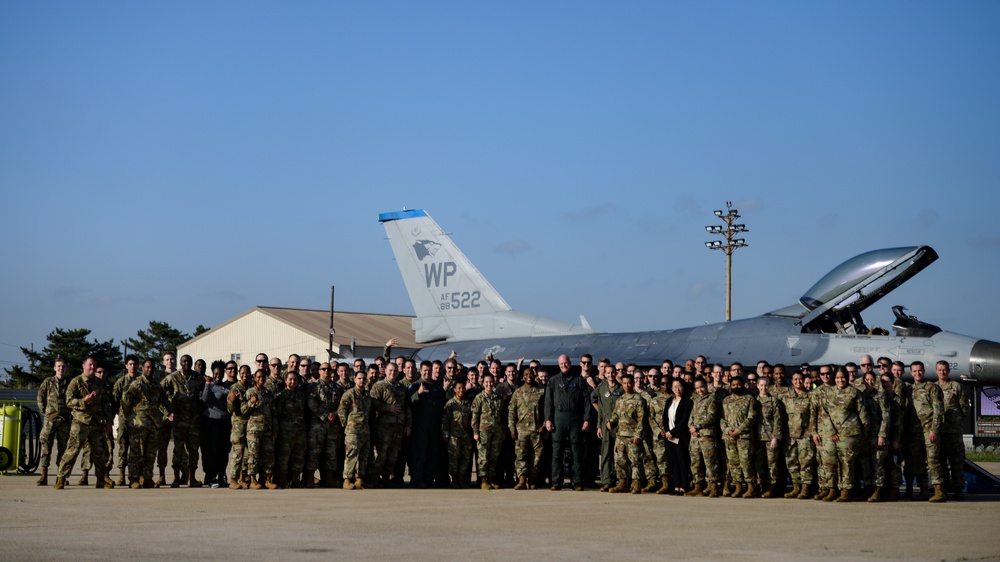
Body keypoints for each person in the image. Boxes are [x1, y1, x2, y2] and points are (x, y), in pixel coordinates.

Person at [54, 357, 113, 490]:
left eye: (94, 365)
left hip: (97, 422)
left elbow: (105, 403)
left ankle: (100, 479)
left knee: (100, 452)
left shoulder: (99, 383)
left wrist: (109, 421)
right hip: (81, 422)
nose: (92, 367)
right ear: (83, 366)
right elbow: (69, 402)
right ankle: (61, 478)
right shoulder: (76, 382)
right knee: (72, 451)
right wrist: (84, 401)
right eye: (90, 365)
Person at [544, 355, 591, 491]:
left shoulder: (579, 380)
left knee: (576, 450)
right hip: (559, 417)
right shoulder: (553, 381)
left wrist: (586, 419)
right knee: (557, 450)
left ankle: (576, 481)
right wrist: (548, 419)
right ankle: (556, 481)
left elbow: (586, 401)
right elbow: (548, 402)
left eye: (566, 363)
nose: (564, 365)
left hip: (575, 417)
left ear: (570, 363)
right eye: (561, 363)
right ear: (559, 365)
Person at [160, 354, 205, 487]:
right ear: (180, 363)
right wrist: (167, 411)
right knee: (178, 450)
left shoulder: (198, 378)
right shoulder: (172, 378)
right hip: (179, 420)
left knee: (193, 451)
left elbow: (204, 395)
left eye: (189, 361)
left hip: (194, 421)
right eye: (184, 361)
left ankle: (192, 478)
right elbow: (158, 392)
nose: (186, 363)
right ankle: (175, 478)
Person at [120, 358, 165, 488]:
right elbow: (125, 402)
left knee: (150, 453)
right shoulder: (136, 384)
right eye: (147, 367)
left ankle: (148, 478)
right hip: (138, 424)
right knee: (136, 453)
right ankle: (133, 479)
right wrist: (131, 418)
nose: (149, 370)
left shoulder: (157, 385)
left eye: (152, 367)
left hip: (153, 424)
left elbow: (163, 401)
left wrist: (170, 411)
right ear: (143, 368)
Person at [908, 360, 946, 502]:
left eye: (920, 370)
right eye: (915, 371)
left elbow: (938, 410)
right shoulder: (909, 389)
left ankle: (939, 491)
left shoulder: (932, 387)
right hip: (915, 432)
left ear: (923, 371)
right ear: (911, 373)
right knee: (918, 462)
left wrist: (934, 429)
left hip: (929, 430)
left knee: (933, 460)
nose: (917, 373)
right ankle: (923, 490)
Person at [368, 362, 410, 487]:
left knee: (393, 454)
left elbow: (407, 407)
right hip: (384, 427)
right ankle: (375, 478)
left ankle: (386, 477)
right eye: (390, 371)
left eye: (395, 371)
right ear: (385, 371)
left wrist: (408, 425)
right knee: (381, 454)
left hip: (398, 426)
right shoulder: (379, 386)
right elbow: (373, 403)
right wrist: (387, 408)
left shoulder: (402, 387)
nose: (393, 373)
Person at [606, 372, 647, 494]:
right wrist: (611, 423)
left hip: (632, 436)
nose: (627, 385)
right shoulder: (620, 400)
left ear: (633, 383)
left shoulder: (638, 400)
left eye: (629, 383)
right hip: (621, 436)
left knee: (635, 461)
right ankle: (622, 483)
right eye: (624, 383)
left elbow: (642, 419)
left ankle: (636, 483)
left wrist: (638, 435)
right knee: (620, 461)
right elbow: (615, 415)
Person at [304, 361, 344, 488]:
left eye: (328, 369)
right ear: (319, 371)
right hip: (317, 425)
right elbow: (312, 404)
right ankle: (310, 478)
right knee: (314, 452)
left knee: (331, 453)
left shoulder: (337, 388)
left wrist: (336, 413)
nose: (326, 371)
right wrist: (325, 415)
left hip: (333, 426)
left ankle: (329, 479)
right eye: (323, 369)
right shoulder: (312, 387)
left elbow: (343, 404)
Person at [508, 366, 546, 490]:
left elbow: (547, 409)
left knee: (537, 457)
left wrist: (544, 424)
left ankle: (532, 479)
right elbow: (512, 412)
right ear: (523, 376)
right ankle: (522, 480)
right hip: (521, 430)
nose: (529, 377)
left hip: (536, 429)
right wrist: (512, 428)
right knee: (521, 456)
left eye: (531, 374)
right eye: (526, 374)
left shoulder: (541, 391)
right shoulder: (518, 392)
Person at [409, 360, 446, 488]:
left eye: (429, 370)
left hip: (434, 425)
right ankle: (417, 480)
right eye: (425, 370)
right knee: (420, 454)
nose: (427, 372)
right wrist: (417, 394)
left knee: (432, 454)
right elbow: (408, 403)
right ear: (420, 371)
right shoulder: (415, 386)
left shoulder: (437, 386)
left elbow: (442, 405)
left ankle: (429, 480)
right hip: (420, 426)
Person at [36, 357, 72, 486]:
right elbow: (40, 398)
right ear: (54, 368)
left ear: (66, 368)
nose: (61, 369)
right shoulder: (48, 382)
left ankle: (60, 476)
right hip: (50, 420)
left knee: (63, 450)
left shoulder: (69, 383)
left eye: (63, 366)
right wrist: (45, 412)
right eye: (58, 366)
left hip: (64, 420)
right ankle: (44, 475)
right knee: (46, 448)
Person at [936, 361, 968, 500]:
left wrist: (959, 424)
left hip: (954, 432)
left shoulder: (956, 386)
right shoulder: (933, 387)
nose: (942, 372)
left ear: (948, 371)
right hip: (939, 431)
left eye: (944, 370)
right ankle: (943, 488)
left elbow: (964, 408)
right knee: (940, 461)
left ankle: (958, 490)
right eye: (940, 370)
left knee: (956, 462)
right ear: (936, 371)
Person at [722, 376, 757, 498]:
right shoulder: (726, 400)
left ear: (744, 385)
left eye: (739, 385)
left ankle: (751, 487)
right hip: (729, 437)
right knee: (733, 463)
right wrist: (727, 430)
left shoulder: (749, 399)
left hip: (744, 436)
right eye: (734, 385)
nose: (736, 387)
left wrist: (739, 430)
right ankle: (738, 487)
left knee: (746, 462)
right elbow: (722, 419)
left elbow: (751, 417)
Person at [241, 369, 278, 489]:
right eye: (258, 377)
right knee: (254, 455)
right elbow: (242, 410)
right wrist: (251, 402)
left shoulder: (269, 394)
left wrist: (275, 428)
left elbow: (274, 413)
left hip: (267, 428)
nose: (261, 379)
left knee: (268, 455)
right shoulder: (250, 392)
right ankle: (252, 480)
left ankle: (267, 479)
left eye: (263, 377)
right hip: (254, 429)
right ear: (254, 378)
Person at [782, 370, 816, 499]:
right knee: (792, 462)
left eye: (800, 379)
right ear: (792, 381)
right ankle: (796, 487)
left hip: (805, 435)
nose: (798, 382)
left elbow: (814, 416)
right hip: (790, 435)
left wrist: (813, 432)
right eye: (795, 379)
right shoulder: (786, 397)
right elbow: (782, 417)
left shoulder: (810, 397)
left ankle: (806, 488)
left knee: (806, 462)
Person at [591, 362, 623, 492]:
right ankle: (606, 481)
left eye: (612, 372)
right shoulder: (601, 388)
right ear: (604, 374)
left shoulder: (621, 388)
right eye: (608, 372)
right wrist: (599, 425)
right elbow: (596, 403)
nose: (610, 375)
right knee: (605, 453)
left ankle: (620, 480)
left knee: (619, 454)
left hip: (619, 425)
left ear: (616, 373)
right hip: (605, 425)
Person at [339, 369, 373, 490]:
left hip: (365, 430)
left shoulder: (368, 395)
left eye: (364, 379)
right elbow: (341, 411)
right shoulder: (349, 394)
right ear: (354, 379)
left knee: (364, 455)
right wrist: (347, 426)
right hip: (353, 430)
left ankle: (360, 479)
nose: (362, 381)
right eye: (359, 378)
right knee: (351, 454)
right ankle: (347, 479)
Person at [809, 366, 839, 501]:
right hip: (821, 432)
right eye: (823, 374)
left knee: (834, 463)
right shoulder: (817, 392)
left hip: (836, 433)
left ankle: (834, 488)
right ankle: (824, 488)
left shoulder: (838, 389)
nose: (825, 376)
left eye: (828, 373)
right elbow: (813, 413)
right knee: (822, 462)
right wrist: (814, 432)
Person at [200, 360, 231, 487]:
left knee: (223, 451)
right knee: (211, 450)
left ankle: (221, 474)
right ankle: (211, 476)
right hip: (211, 422)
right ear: (212, 373)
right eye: (216, 373)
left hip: (224, 422)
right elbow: (205, 399)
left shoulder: (226, 387)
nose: (218, 376)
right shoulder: (210, 386)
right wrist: (207, 384)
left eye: (220, 373)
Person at [471, 373, 506, 489]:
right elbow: (475, 417)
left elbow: (502, 416)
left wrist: (503, 432)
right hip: (483, 432)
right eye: (486, 382)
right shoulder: (479, 398)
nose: (489, 384)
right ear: (483, 383)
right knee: (483, 457)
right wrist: (475, 432)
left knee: (493, 457)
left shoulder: (498, 398)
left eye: (491, 382)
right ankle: (483, 480)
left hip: (496, 432)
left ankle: (491, 479)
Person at [753, 376, 786, 498]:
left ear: (769, 386)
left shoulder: (774, 402)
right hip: (756, 437)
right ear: (757, 386)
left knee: (772, 464)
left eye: (766, 385)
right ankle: (761, 486)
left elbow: (778, 421)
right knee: (759, 464)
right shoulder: (753, 401)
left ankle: (772, 487)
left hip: (770, 437)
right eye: (761, 385)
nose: (763, 388)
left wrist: (775, 437)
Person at [687, 377, 720, 497]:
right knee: (695, 462)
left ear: (706, 386)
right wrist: (691, 427)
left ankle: (713, 486)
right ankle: (698, 486)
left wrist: (697, 426)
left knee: (710, 462)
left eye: (701, 387)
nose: (700, 390)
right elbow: (691, 415)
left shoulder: (712, 399)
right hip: (695, 436)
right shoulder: (696, 400)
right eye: (697, 388)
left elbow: (711, 417)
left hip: (707, 435)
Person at [274, 370, 307, 488]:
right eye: (290, 379)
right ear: (286, 380)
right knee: (284, 456)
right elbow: (277, 414)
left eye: (295, 380)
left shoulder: (301, 395)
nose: (293, 382)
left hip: (300, 431)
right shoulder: (281, 396)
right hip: (285, 432)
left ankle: (295, 479)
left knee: (298, 456)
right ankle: (282, 479)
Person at [111, 355, 140, 485]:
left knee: (136, 449)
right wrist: (122, 414)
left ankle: (135, 475)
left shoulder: (141, 381)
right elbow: (115, 401)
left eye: (135, 364)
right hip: (124, 419)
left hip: (138, 420)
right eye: (130, 364)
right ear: (126, 366)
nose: (133, 366)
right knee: (123, 447)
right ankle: (122, 475)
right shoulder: (120, 382)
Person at [441, 378, 473, 488]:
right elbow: (445, 421)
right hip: (454, 436)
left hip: (466, 436)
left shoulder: (468, 403)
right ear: (454, 390)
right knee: (454, 459)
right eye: (459, 388)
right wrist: (445, 434)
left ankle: (461, 479)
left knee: (465, 459)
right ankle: (454, 480)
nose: (461, 390)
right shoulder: (450, 404)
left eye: (463, 388)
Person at [664, 378, 692, 495]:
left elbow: (684, 420)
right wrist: (667, 431)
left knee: (682, 461)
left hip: (680, 436)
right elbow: (665, 417)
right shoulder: (669, 400)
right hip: (669, 437)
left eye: (679, 386)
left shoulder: (687, 402)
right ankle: (676, 485)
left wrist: (673, 431)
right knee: (673, 461)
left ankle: (684, 486)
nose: (677, 389)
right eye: (675, 386)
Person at [644, 370, 669, 493]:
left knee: (664, 458)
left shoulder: (672, 398)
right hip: (654, 433)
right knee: (651, 457)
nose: (653, 378)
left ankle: (666, 482)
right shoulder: (653, 398)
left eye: (656, 376)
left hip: (670, 433)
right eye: (650, 376)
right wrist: (657, 430)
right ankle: (652, 481)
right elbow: (651, 417)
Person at [226, 363, 250, 489]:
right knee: (237, 453)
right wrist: (232, 400)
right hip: (238, 425)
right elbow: (230, 410)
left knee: (247, 454)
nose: (245, 375)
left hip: (250, 425)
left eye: (247, 373)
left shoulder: (252, 387)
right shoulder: (235, 388)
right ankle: (233, 479)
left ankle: (243, 477)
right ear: (239, 374)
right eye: (243, 373)